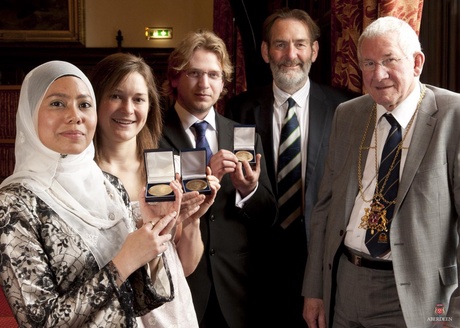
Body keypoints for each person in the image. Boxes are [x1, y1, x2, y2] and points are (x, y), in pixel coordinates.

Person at [303, 16, 460, 328]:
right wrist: (315, 289)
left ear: (417, 63)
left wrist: (455, 315)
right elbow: (325, 208)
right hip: (346, 282)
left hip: (418, 295)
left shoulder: (452, 115)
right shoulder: (348, 114)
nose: (379, 74)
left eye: (389, 60)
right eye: (369, 63)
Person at [0, 60, 180, 327]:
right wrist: (123, 261)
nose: (76, 116)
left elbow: (140, 303)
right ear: (29, 113)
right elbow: (41, 322)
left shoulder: (109, 186)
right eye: (57, 103)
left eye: (85, 104)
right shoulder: (13, 203)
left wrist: (152, 231)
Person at [225, 8, 354, 327]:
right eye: (280, 45)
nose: (291, 54)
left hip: (322, 261)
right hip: (256, 264)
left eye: (300, 44)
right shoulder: (239, 109)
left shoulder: (345, 108)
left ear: (314, 50)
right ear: (266, 52)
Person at [90, 52, 220, 327]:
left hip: (169, 312)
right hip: (109, 310)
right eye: (116, 96)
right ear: (95, 99)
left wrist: (193, 219)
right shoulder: (81, 174)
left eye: (138, 99)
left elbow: (183, 266)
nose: (128, 109)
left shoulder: (169, 169)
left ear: (150, 106)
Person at [160, 29, 278, 328]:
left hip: (238, 289)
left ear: (223, 83)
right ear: (175, 78)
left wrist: (249, 189)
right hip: (178, 285)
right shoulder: (153, 135)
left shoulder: (242, 135)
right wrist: (204, 175)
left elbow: (268, 216)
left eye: (213, 75)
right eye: (194, 73)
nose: (204, 84)